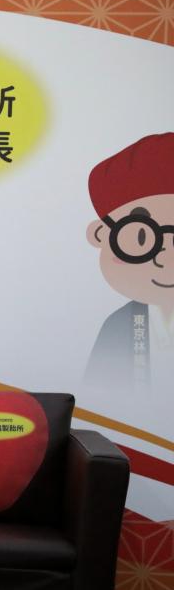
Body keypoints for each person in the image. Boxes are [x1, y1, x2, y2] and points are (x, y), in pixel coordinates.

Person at [83, 132, 174, 397]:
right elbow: (100, 396)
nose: (165, 257)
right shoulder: (121, 324)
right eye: (140, 237)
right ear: (101, 234)